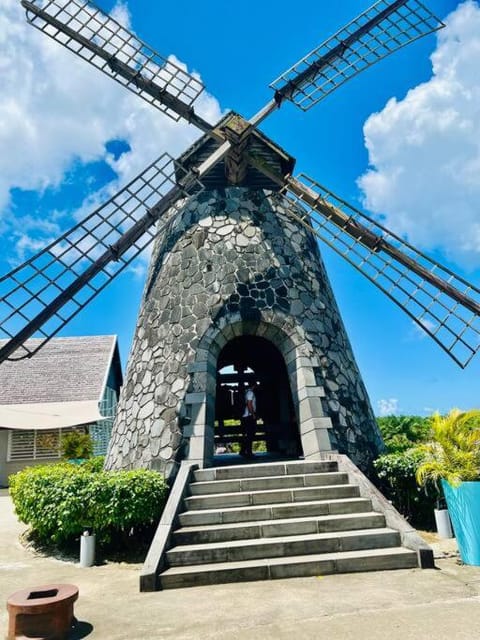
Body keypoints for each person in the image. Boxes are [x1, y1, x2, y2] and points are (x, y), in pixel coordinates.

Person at [240, 382, 257, 458]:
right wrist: (253, 414)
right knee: (250, 434)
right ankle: (249, 453)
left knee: (247, 434)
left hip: (245, 416)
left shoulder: (246, 392)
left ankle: (243, 451)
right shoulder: (250, 392)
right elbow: (249, 404)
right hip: (249, 416)